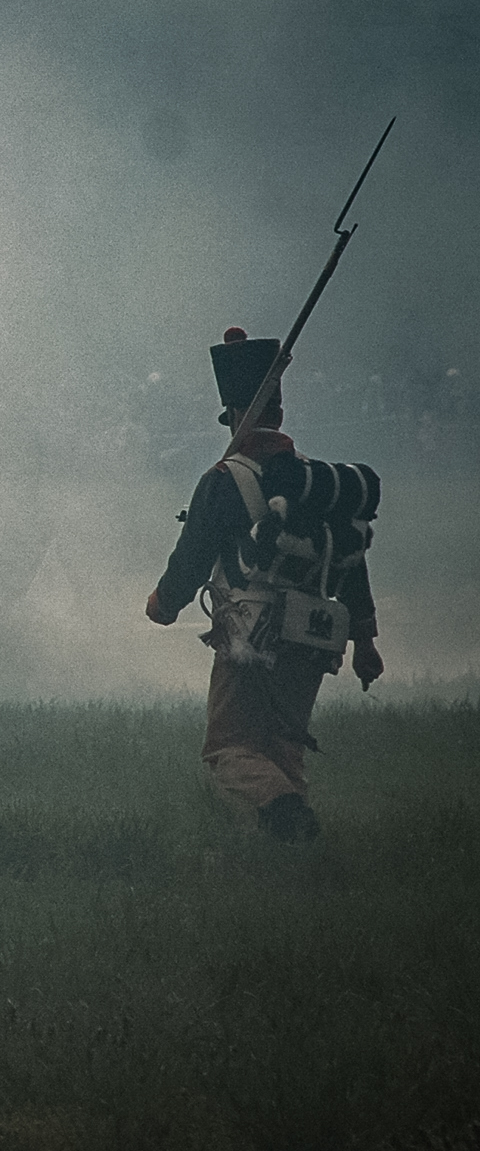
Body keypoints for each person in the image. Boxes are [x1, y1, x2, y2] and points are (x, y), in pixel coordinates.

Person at [146, 327, 383, 842]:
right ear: (277, 411)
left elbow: (191, 559)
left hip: (251, 637)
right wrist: (365, 641)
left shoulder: (224, 480)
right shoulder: (307, 480)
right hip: (314, 633)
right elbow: (351, 560)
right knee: (281, 746)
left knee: (228, 750)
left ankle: (289, 816)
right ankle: (295, 860)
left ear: (233, 414)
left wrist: (163, 605)